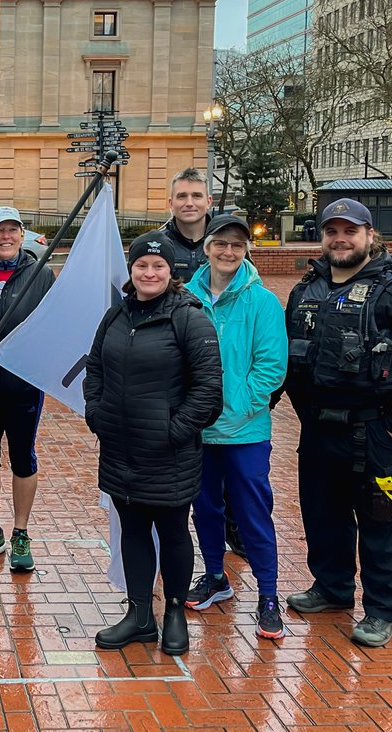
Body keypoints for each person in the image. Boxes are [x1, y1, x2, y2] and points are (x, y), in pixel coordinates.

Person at [279, 198, 392, 647]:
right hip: (318, 430)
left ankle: (382, 611)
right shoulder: (306, 289)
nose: (340, 238)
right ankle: (332, 588)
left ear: (370, 236)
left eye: (349, 231)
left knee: (378, 519)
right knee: (322, 514)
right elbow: (287, 357)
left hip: (375, 431)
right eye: (332, 231)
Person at [84, 231, 222, 656]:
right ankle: (140, 615)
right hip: (121, 450)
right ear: (131, 270)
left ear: (170, 272)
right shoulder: (116, 315)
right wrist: (97, 412)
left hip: (169, 455)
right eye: (141, 265)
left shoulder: (189, 317)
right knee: (134, 532)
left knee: (174, 532)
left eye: (157, 266)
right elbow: (94, 368)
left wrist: (171, 432)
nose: (149, 272)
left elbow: (209, 391)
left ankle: (174, 611)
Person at [184, 214, 288, 640]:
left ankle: (268, 594)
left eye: (238, 246)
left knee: (252, 513)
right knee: (205, 508)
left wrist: (239, 406)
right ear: (206, 247)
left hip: (245, 431)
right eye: (221, 244)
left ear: (246, 251)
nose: (229, 252)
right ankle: (214, 576)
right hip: (198, 431)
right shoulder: (186, 299)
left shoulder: (261, 301)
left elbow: (271, 367)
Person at [158, 166, 247, 560]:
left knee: (229, 467)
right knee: (184, 465)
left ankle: (232, 530)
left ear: (209, 201)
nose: (189, 203)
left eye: (197, 196)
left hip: (224, 370)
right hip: (175, 373)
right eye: (182, 197)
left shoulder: (228, 242)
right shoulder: (157, 246)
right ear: (171, 202)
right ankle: (183, 540)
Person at [0, 205, 54, 573]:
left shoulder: (41, 275)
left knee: (23, 457)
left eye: (12, 230)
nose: (6, 237)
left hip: (24, 385)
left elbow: (54, 323)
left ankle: (21, 532)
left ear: (22, 235)